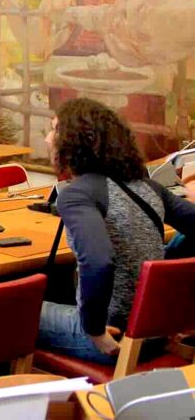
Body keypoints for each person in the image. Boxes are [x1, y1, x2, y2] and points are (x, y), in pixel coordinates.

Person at [37, 98, 195, 364]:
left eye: (55, 131)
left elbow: (98, 260)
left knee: (2, 308)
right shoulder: (147, 187)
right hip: (156, 332)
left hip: (113, 339)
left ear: (74, 142)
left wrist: (95, 331)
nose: (48, 139)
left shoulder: (76, 195)